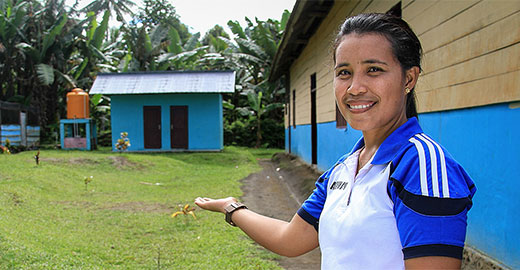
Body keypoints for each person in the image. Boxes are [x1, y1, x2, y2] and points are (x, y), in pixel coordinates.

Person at [195, 13, 476, 270]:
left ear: (409, 79)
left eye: (374, 70)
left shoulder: (421, 166)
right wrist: (231, 208)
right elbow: (291, 239)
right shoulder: (344, 169)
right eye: (344, 73)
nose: (355, 88)